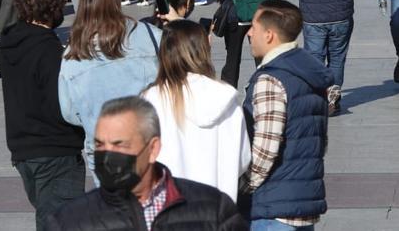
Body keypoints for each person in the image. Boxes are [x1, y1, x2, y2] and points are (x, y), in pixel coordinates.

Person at [43, 96, 248, 230]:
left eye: (119, 145)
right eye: (99, 145)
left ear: (152, 149)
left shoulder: (213, 210)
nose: (107, 155)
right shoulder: (68, 221)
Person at [0, 0, 85, 229]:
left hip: (23, 147)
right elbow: (60, 103)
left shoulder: (10, 44)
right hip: (54, 149)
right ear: (53, 7)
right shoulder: (47, 50)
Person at [58, 0, 162, 179]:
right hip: (146, 139)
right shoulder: (150, 35)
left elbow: (69, 111)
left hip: (103, 145)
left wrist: (90, 115)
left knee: (113, 207)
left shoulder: (73, 52)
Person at [241, 0, 332, 229]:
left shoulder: (271, 79)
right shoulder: (306, 70)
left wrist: (242, 186)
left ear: (269, 35)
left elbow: (264, 151)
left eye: (253, 27)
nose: (249, 34)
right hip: (301, 203)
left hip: (272, 207)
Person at [141, 20, 250, 200]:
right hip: (218, 209)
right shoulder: (226, 97)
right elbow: (243, 159)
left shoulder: (151, 100)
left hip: (168, 209)